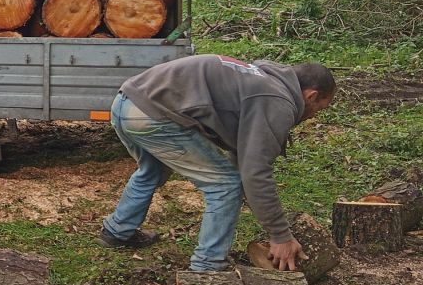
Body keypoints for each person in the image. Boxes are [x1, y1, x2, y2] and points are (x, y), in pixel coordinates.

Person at [99, 54, 336, 272]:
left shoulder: (263, 79)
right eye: (319, 108)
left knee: (153, 170)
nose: (313, 115)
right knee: (225, 184)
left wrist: (262, 207)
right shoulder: (277, 102)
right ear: (311, 95)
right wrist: (280, 235)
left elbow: (243, 159)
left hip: (126, 103)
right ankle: (208, 265)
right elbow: (255, 173)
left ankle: (117, 231)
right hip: (153, 116)